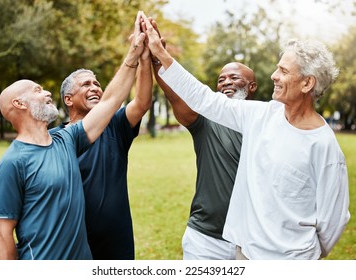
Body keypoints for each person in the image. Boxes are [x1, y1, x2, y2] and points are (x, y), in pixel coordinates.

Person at [142, 13, 350, 260]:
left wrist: (302, 256)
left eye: (283, 71)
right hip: (245, 255)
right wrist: (161, 55)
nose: (273, 75)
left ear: (307, 84)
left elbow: (333, 220)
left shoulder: (324, 146)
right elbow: (204, 98)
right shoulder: (260, 116)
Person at [0, 11, 147, 260]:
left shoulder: (66, 141)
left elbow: (111, 101)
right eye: (38, 90)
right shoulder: (12, 163)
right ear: (19, 104)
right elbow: (2, 234)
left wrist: (134, 53)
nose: (48, 93)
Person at [49, 33, 152, 260]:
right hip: (70, 239)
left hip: (115, 240)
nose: (95, 87)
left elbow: (142, 102)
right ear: (68, 99)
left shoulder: (114, 125)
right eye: (86, 84)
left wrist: (144, 58)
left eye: (97, 83)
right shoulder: (53, 138)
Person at [152, 44, 257, 259]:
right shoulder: (206, 120)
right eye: (221, 79)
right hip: (205, 240)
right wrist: (157, 59)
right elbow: (175, 96)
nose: (226, 82)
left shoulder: (265, 122)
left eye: (234, 77)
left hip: (251, 240)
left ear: (252, 86)